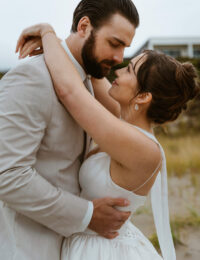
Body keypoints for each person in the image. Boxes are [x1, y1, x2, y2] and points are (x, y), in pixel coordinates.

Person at [16, 23, 200, 260]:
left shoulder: (144, 148)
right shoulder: (121, 121)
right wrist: (61, 42)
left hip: (104, 250)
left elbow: (70, 91)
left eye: (130, 70)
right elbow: (89, 71)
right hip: (84, 240)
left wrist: (46, 31)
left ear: (143, 97)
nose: (119, 70)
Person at [0, 0, 139, 260]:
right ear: (84, 26)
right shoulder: (32, 77)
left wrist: (49, 35)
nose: (120, 57)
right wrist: (87, 215)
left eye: (125, 47)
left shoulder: (86, 82)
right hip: (26, 248)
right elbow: (7, 174)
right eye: (114, 43)